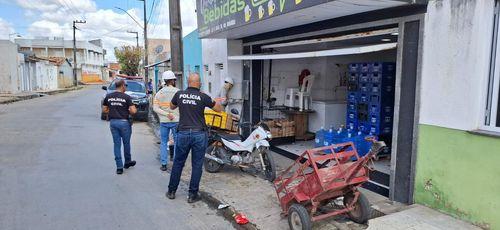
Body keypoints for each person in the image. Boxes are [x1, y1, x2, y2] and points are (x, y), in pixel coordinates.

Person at [166, 73, 222, 203]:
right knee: (197, 165)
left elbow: (172, 106)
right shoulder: (203, 96)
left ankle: (171, 191)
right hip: (199, 134)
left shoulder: (179, 94)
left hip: (183, 133)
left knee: (178, 163)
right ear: (199, 83)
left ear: (188, 82)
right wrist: (214, 101)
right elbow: (218, 109)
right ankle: (192, 195)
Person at [102, 79, 137, 174]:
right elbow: (134, 111)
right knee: (126, 143)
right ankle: (127, 162)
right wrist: (127, 110)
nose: (125, 87)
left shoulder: (108, 96)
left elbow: (104, 110)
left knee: (117, 145)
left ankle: (119, 167)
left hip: (113, 123)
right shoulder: (126, 97)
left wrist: (112, 111)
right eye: (125, 85)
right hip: (124, 123)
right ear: (122, 86)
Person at [153, 71, 179, 171]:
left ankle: (164, 164)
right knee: (177, 142)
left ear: (164, 80)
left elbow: (155, 108)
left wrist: (166, 114)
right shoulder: (178, 92)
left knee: (164, 142)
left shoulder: (159, 93)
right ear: (172, 80)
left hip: (164, 121)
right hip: (176, 121)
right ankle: (176, 164)